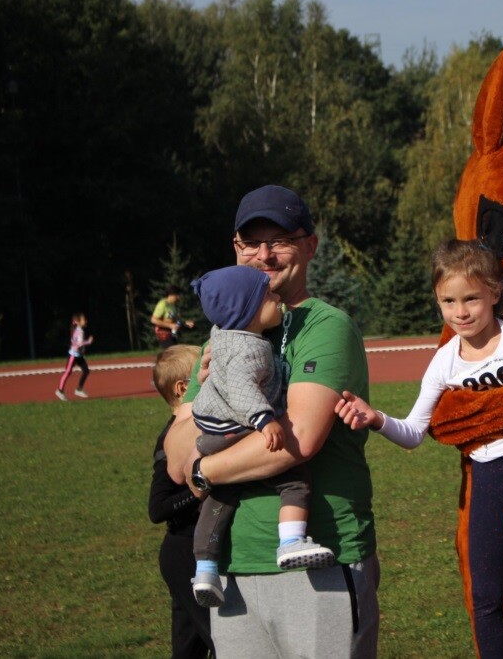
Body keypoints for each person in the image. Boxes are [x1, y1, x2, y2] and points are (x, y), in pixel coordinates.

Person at [163, 185, 378, 658]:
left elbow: (294, 440)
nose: (264, 254)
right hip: (231, 569)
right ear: (235, 249)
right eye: (250, 243)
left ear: (310, 246)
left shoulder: (323, 326)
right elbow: (175, 455)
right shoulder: (224, 338)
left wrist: (205, 470)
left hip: (319, 563)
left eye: (279, 239)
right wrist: (194, 460)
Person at [334, 239, 503, 659]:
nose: (460, 311)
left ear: (494, 293)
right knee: (484, 591)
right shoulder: (445, 361)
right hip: (486, 474)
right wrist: (375, 418)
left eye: (471, 299)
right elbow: (413, 432)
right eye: (448, 301)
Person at [188, 265, 335, 608]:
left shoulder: (220, 336)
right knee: (295, 478)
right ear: (248, 311)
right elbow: (241, 387)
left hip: (211, 432)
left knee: (220, 499)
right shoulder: (250, 349)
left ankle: (206, 568)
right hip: (234, 430)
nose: (276, 297)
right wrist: (264, 419)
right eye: (268, 295)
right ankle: (290, 542)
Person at [148, 344, 215, 659]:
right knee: (223, 640)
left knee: (188, 649)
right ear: (183, 388)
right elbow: (158, 508)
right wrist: (197, 491)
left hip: (191, 554)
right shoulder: (170, 439)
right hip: (183, 554)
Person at [55, 312, 93, 401]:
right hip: (73, 355)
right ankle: (60, 391)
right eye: (84, 320)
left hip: (78, 355)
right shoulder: (79, 331)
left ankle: (79, 389)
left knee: (86, 371)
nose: (85, 321)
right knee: (68, 372)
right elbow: (79, 344)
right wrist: (88, 342)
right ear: (78, 322)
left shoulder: (78, 330)